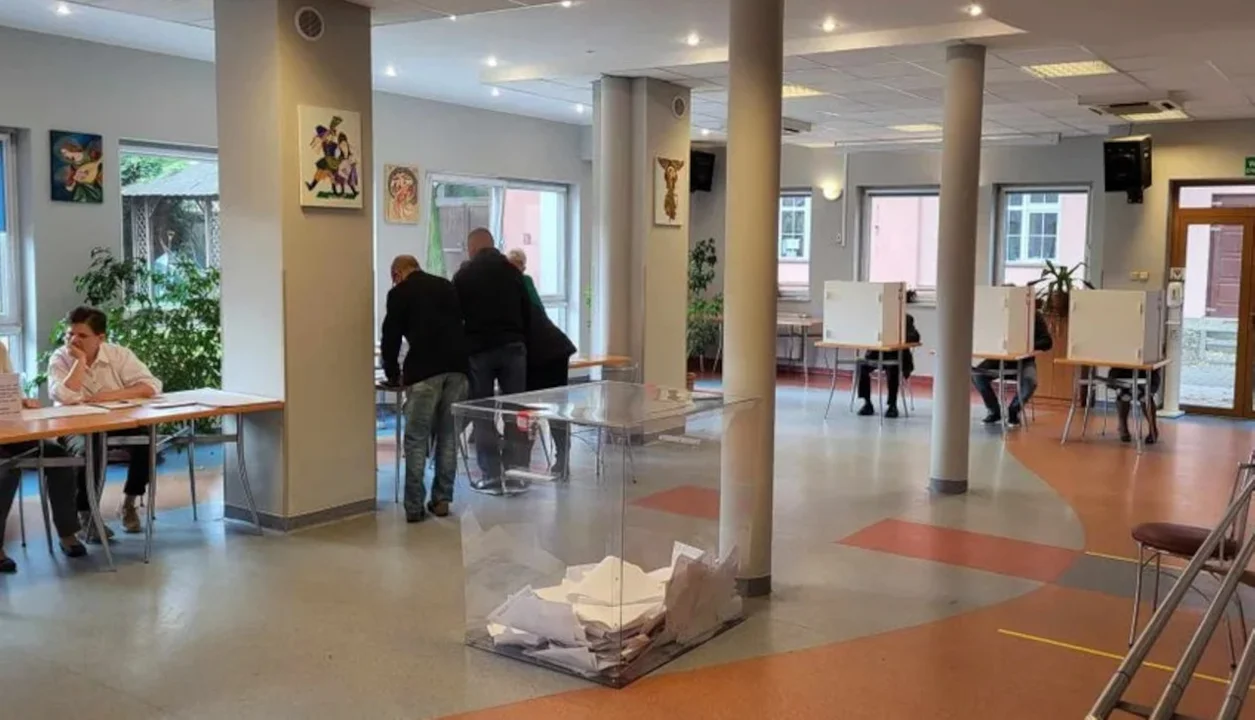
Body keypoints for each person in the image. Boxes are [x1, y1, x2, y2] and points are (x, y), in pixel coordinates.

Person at [48, 306, 162, 539]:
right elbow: (65, 396)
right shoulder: (60, 357)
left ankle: (129, 502)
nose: (74, 340)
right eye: (70, 334)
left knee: (146, 437)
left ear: (100, 338)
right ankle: (86, 513)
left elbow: (151, 385)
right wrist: (80, 361)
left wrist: (109, 395)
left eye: (82, 335)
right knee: (90, 448)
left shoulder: (118, 355)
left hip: (114, 420)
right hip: (73, 426)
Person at [380, 255, 469, 523]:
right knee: (449, 437)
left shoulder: (400, 293)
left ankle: (414, 506)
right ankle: (442, 500)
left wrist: (393, 374)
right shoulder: (446, 286)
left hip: (424, 371)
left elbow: (391, 337)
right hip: (459, 368)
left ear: (397, 274)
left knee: (416, 439)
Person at [453, 229, 532, 491]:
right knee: (516, 412)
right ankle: (517, 472)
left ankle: (491, 476)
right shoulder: (513, 272)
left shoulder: (464, 276)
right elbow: (527, 310)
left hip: (479, 351)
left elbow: (456, 315)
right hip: (513, 347)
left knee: (483, 413)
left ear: (472, 248)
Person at [0, 342, 88, 573]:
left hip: (9, 431)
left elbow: (9, 393)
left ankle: (67, 533)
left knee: (59, 456)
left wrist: (23, 402)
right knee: (6, 468)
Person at [972, 308, 1054, 427]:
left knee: (1031, 382)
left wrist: (1023, 345)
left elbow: (1047, 342)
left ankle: (1013, 411)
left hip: (1024, 361)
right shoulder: (996, 312)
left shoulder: (1032, 315)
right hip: (997, 359)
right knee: (977, 375)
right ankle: (994, 411)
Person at [524, 298, 577, 477]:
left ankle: (523, 462)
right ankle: (562, 459)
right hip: (554, 348)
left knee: (530, 408)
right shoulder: (519, 293)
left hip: (542, 353)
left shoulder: (507, 300)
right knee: (556, 408)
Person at [856, 313, 920, 419]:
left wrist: (895, 336)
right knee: (862, 366)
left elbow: (915, 337)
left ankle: (892, 405)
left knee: (893, 368)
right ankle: (867, 403)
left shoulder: (905, 318)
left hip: (897, 355)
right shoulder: (877, 317)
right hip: (876, 354)